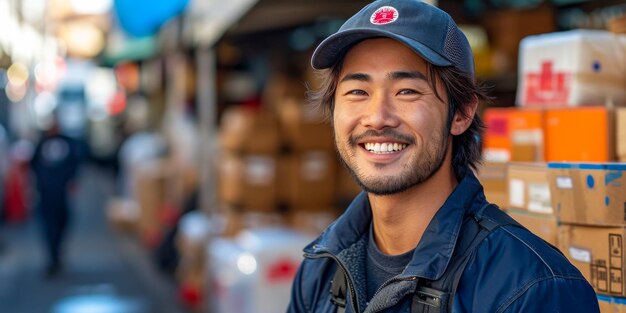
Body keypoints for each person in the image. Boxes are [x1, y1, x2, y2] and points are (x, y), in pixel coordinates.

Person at [287, 1, 600, 312]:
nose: (377, 117)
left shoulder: (531, 289)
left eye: (407, 91)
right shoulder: (319, 272)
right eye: (357, 92)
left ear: (461, 113)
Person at [30, 118, 81, 277]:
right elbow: (34, 165)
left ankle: (56, 255)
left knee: (61, 223)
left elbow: (74, 163)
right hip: (46, 193)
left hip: (60, 193)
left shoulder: (67, 143)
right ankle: (53, 257)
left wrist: (72, 180)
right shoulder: (42, 143)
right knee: (48, 226)